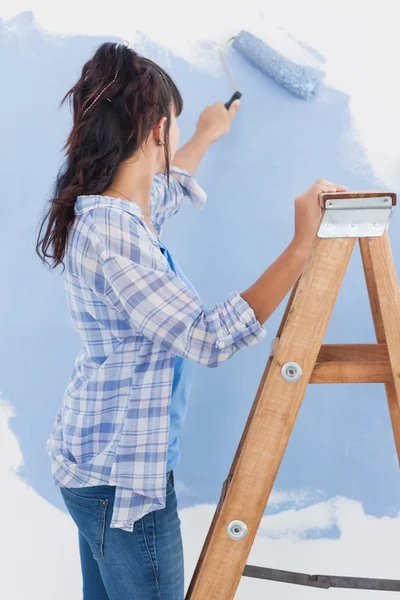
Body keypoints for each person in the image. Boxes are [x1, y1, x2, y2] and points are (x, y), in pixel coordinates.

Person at [36, 40, 347, 600]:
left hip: (95, 463)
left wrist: (204, 133)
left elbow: (162, 192)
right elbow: (207, 336)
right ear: (156, 131)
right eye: (173, 127)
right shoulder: (115, 237)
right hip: (124, 481)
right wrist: (301, 246)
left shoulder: (114, 211)